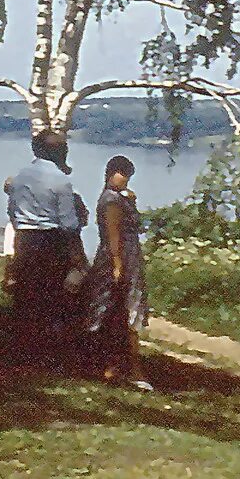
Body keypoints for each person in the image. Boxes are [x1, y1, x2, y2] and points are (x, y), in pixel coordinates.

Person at [3, 138, 87, 346]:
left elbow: (13, 212)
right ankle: (49, 344)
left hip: (24, 239)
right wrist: (78, 257)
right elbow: (68, 223)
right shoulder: (60, 180)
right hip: (50, 241)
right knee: (52, 295)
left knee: (26, 293)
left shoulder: (19, 177)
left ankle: (23, 342)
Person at [80, 155, 150, 388]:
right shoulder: (111, 200)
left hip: (127, 255)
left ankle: (116, 365)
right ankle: (120, 365)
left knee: (119, 311)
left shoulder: (120, 198)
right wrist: (118, 264)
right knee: (117, 309)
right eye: (121, 174)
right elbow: (113, 235)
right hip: (119, 258)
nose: (124, 179)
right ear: (111, 173)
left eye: (127, 175)